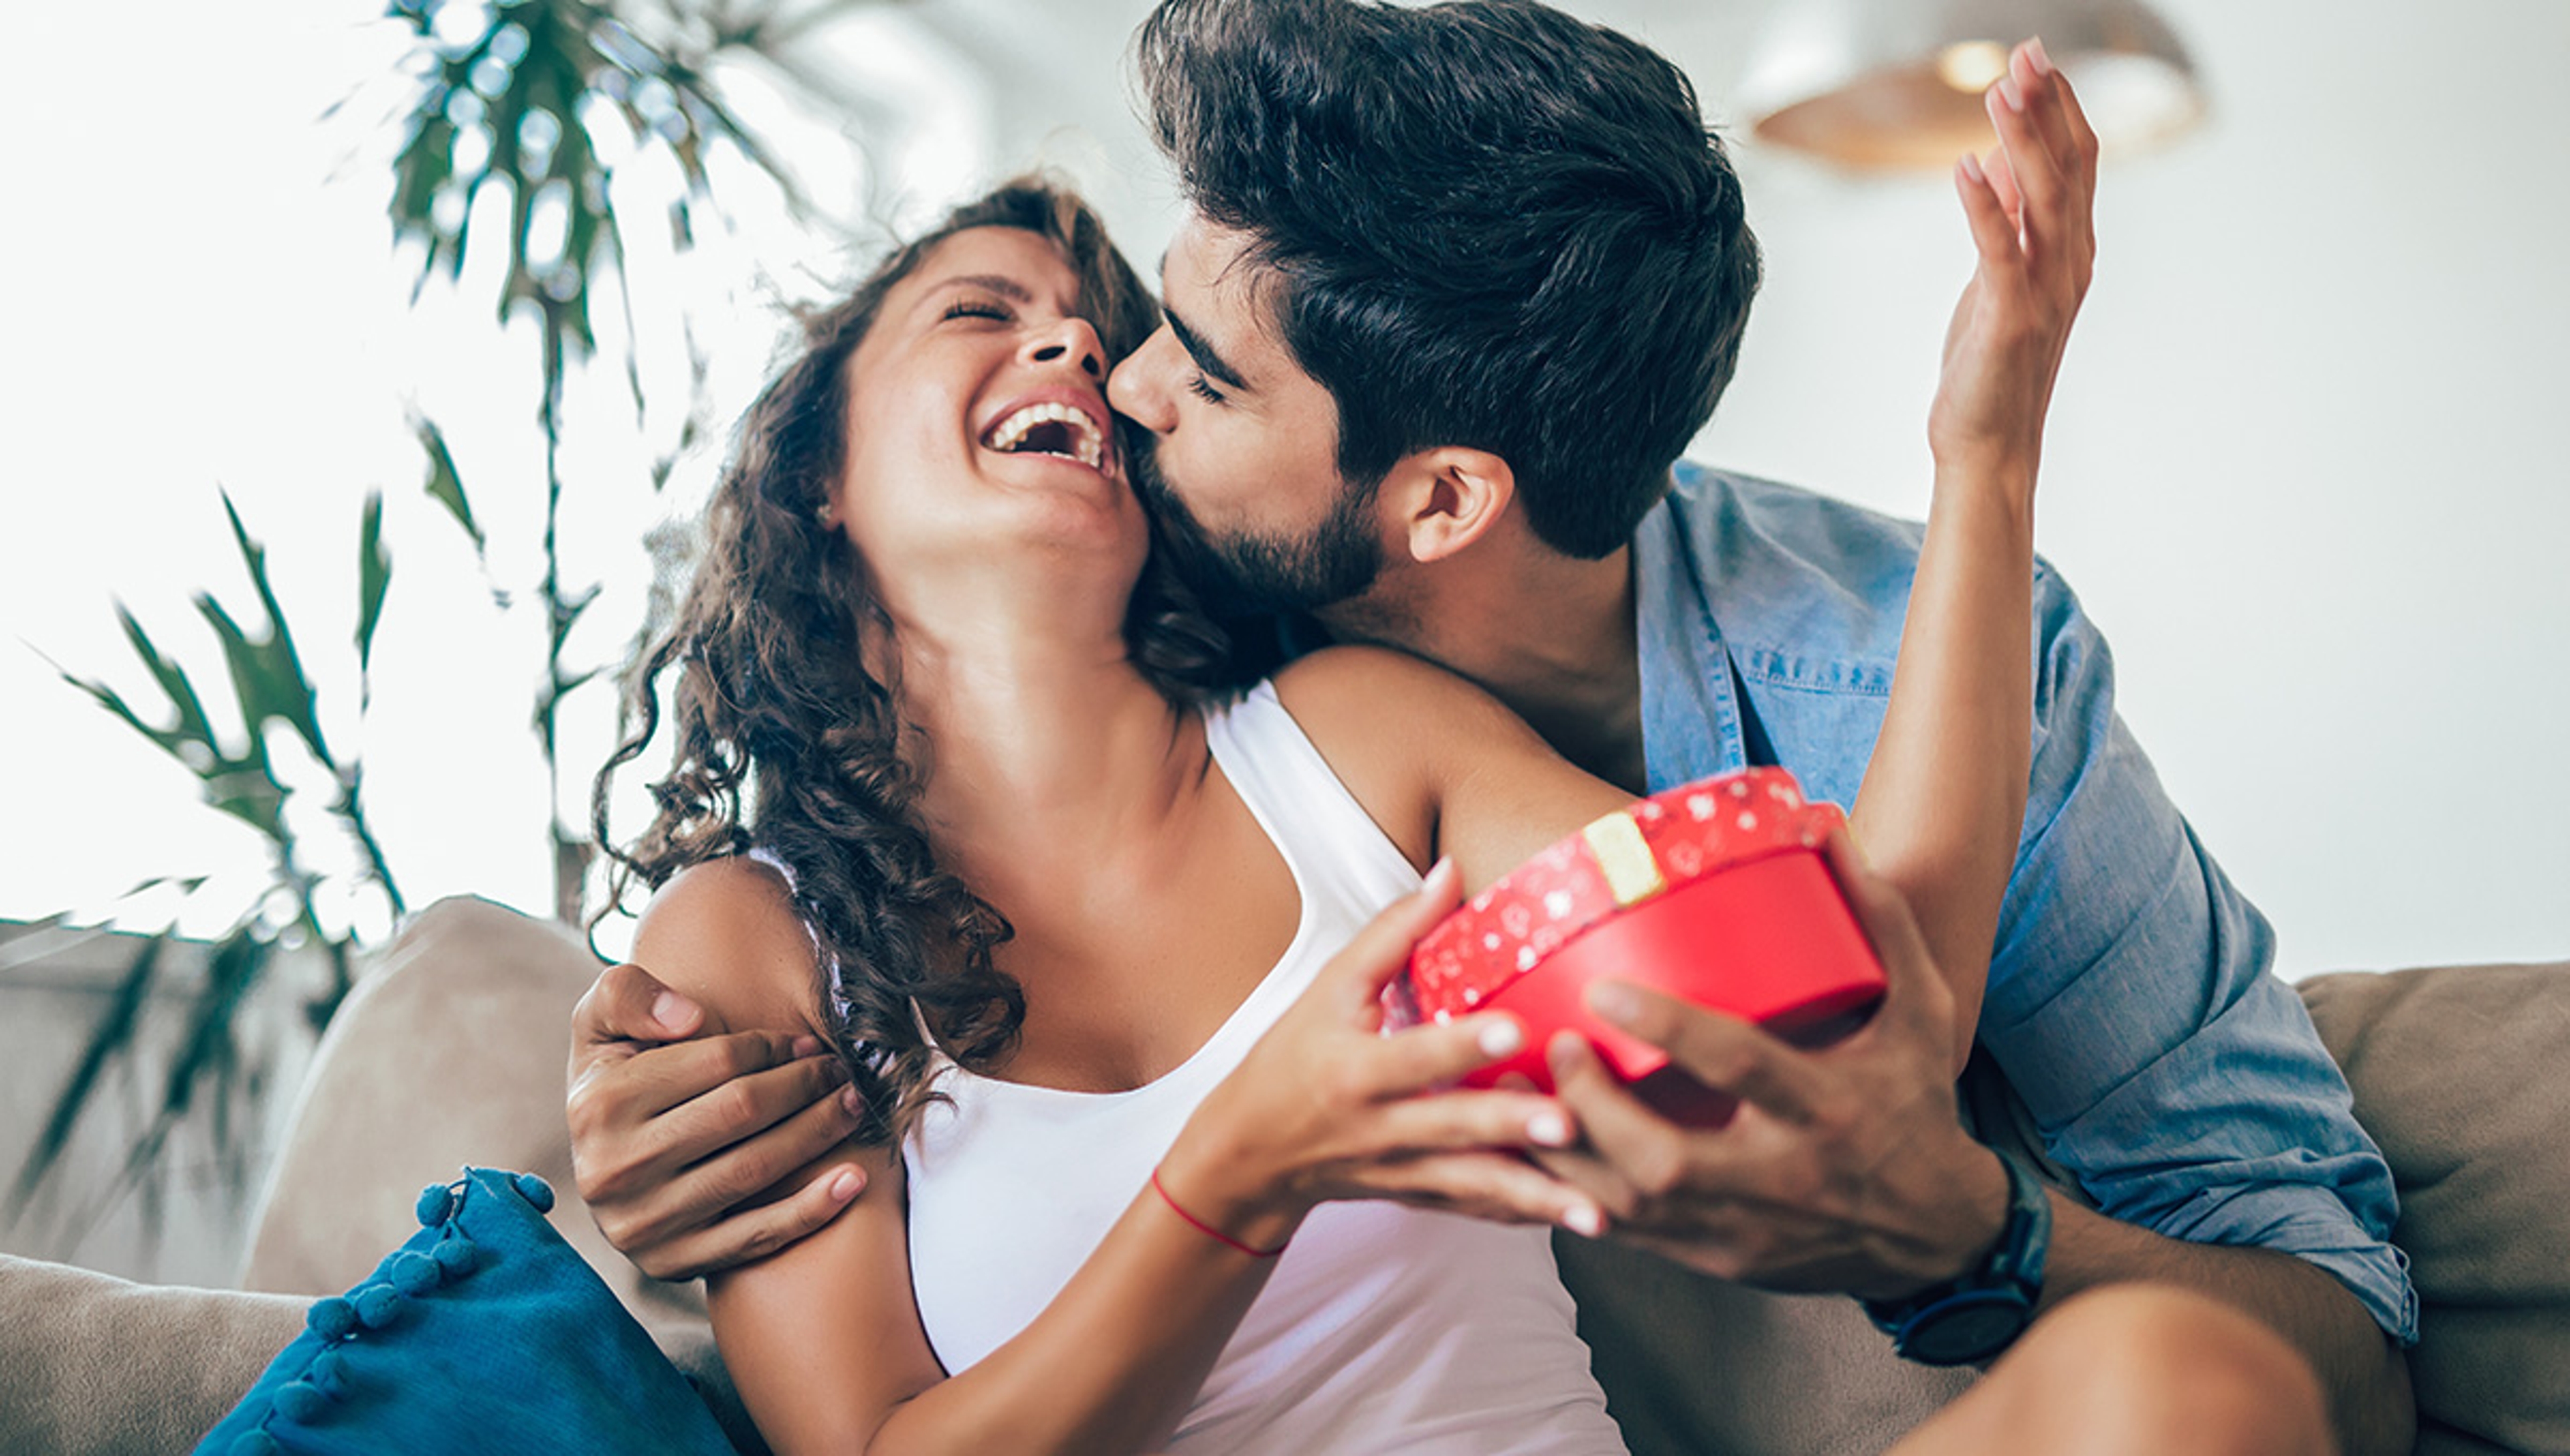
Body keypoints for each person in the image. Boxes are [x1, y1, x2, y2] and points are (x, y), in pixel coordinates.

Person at [571, 1, 2413, 1449]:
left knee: (2193, 1382)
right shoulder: (757, 934)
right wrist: (617, 1098)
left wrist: (1987, 458)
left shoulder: (1365, 731)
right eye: (997, 315)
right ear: (809, 470)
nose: (1107, 372)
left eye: (1171, 363)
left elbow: (1873, 1010)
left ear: (1439, 503)